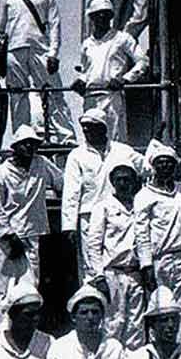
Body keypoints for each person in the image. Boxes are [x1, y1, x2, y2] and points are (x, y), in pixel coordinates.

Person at [0, 0, 76, 144]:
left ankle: (66, 137)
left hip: (41, 49)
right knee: (17, 95)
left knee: (53, 91)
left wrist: (53, 53)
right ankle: (21, 136)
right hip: (14, 49)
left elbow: (55, 25)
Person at [0, 125, 63, 328]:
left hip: (31, 235)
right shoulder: (1, 172)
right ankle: (1, 334)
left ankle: (26, 333)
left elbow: (62, 182)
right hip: (3, 241)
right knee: (1, 291)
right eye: (25, 144)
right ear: (15, 147)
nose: (29, 147)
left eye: (33, 144)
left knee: (30, 289)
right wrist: (9, 236)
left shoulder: (42, 164)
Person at [61, 107, 143, 283]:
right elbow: (71, 192)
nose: (86, 131)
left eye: (91, 127)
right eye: (84, 127)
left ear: (103, 128)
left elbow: (147, 168)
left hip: (119, 212)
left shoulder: (123, 150)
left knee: (122, 257)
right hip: (89, 215)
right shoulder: (77, 155)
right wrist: (69, 226)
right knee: (91, 263)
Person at [134, 139, 181, 345]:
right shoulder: (144, 195)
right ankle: (159, 353)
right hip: (158, 260)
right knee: (159, 309)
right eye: (161, 162)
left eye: (169, 162)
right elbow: (141, 232)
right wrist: (146, 265)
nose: (165, 166)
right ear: (154, 166)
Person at [85, 161, 146, 349]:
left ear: (134, 182)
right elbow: (93, 244)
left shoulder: (141, 205)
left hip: (135, 273)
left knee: (136, 325)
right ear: (112, 182)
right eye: (119, 180)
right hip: (112, 274)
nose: (123, 184)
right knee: (113, 324)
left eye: (127, 180)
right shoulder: (103, 207)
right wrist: (98, 276)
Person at [71, 0, 148, 142]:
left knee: (114, 140)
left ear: (111, 16)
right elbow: (86, 70)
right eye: (98, 14)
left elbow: (142, 61)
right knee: (91, 140)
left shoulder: (122, 38)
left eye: (105, 14)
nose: (102, 17)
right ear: (92, 17)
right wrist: (80, 80)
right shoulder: (87, 44)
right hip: (90, 97)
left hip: (111, 96)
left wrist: (125, 79)